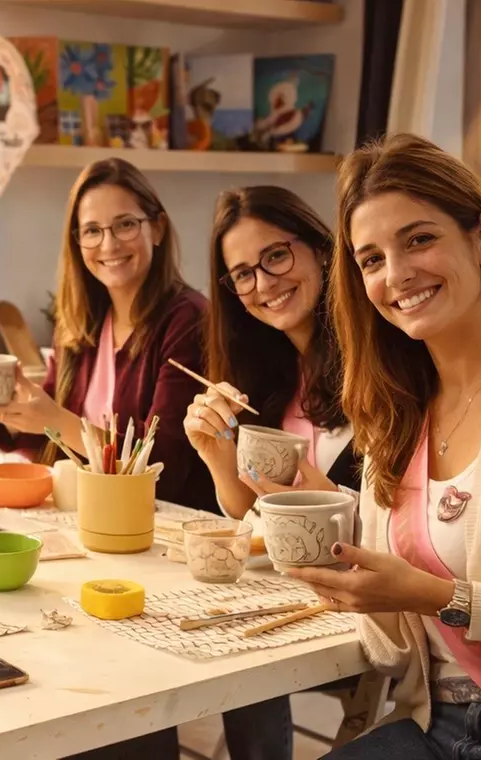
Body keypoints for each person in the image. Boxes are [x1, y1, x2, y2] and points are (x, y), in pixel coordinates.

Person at [298, 133, 481, 759]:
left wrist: (437, 596)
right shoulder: (397, 415)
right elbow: (393, 649)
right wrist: (352, 583)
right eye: (372, 259)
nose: (397, 274)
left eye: (419, 239)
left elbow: (429, 597)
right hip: (433, 725)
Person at [178, 186, 361, 760]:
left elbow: (400, 519)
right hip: (286, 591)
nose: (263, 284)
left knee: (235, 647)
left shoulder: (378, 364)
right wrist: (213, 453)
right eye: (242, 275)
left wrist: (327, 496)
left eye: (275, 257)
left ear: (319, 248)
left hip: (361, 602)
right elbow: (247, 511)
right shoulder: (271, 374)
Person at [0, 157, 216, 513]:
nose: (108, 245)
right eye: (93, 230)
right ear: (77, 243)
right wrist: (13, 410)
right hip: (88, 518)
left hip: (161, 529)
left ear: (157, 229)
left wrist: (55, 420)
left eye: (125, 224)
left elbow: (164, 467)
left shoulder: (188, 320)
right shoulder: (80, 321)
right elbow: (50, 446)